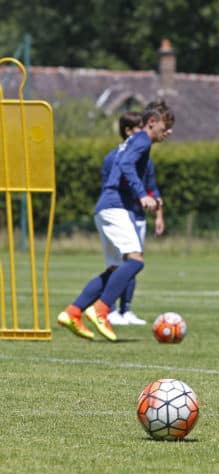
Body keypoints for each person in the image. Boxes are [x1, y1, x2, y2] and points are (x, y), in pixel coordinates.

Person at [57, 101, 174, 341]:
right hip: (115, 207)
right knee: (136, 261)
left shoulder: (129, 142)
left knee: (115, 269)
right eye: (166, 125)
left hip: (106, 207)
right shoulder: (142, 140)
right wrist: (142, 195)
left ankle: (73, 312)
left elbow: (119, 164)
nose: (168, 131)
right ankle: (101, 309)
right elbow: (127, 165)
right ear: (152, 122)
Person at [101, 112, 166, 326]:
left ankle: (124, 310)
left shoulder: (145, 157)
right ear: (128, 131)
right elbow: (113, 185)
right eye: (138, 128)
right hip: (120, 211)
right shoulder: (114, 157)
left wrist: (158, 214)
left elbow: (152, 188)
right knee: (121, 264)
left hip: (137, 215)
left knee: (132, 262)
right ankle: (107, 309)